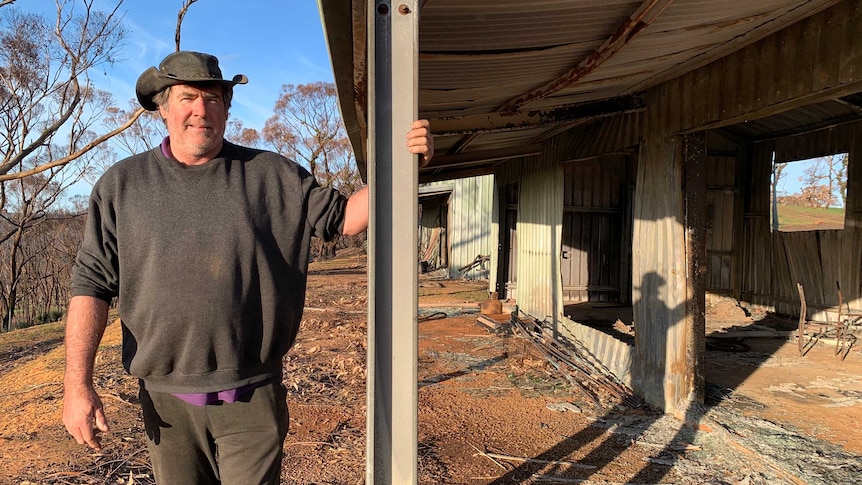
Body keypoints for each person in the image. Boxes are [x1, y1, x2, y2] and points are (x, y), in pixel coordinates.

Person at [62, 51, 433, 485]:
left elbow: (345, 219)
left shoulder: (272, 175)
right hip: (165, 405)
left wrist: (401, 165)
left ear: (227, 108)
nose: (202, 109)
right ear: (163, 108)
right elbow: (90, 284)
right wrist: (77, 384)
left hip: (253, 398)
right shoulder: (120, 185)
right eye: (188, 97)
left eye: (215, 99)